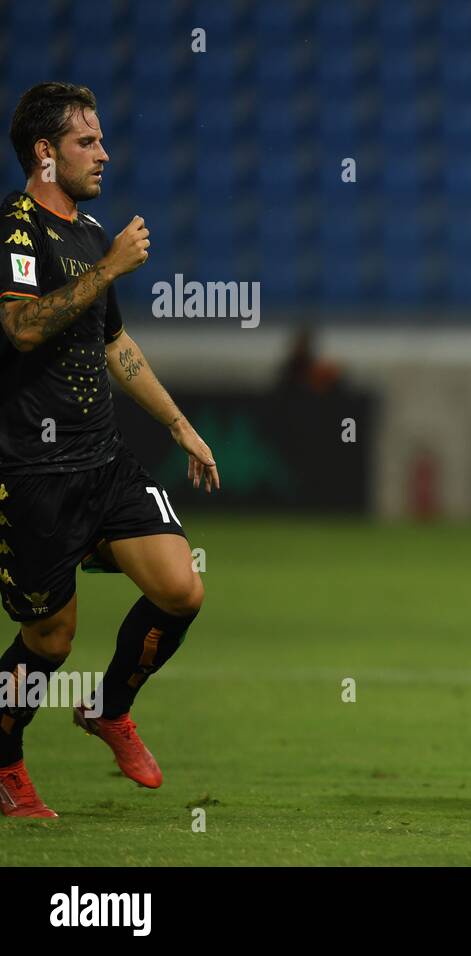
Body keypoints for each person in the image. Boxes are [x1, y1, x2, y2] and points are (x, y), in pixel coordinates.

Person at [0, 82, 219, 817]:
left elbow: (114, 343)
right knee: (49, 641)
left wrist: (177, 423)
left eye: (101, 138)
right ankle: (4, 757)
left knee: (180, 588)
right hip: (32, 472)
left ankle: (108, 707)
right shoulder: (17, 230)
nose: (104, 152)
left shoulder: (92, 234)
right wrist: (109, 270)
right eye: (87, 141)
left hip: (103, 460)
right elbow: (23, 327)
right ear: (45, 152)